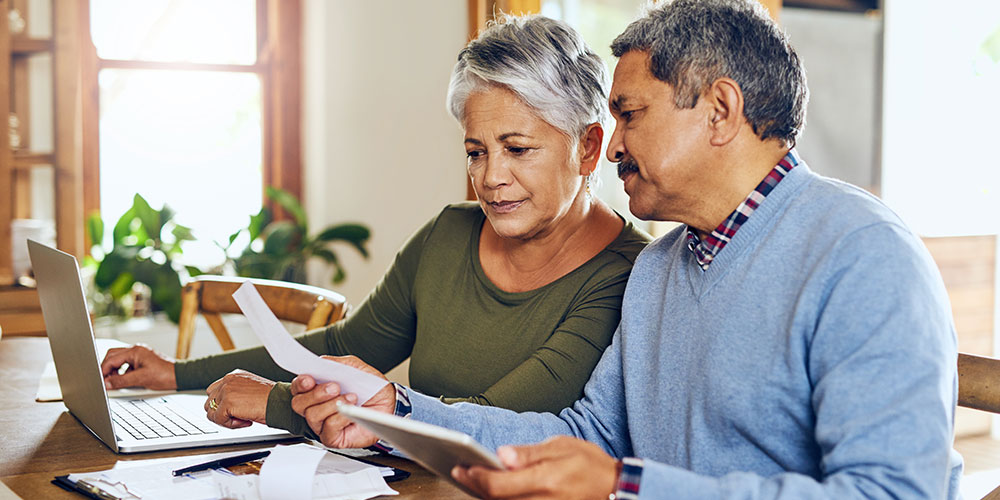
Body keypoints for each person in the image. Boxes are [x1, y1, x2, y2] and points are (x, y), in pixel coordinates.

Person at [286, 1, 964, 498]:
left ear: (720, 112)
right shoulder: (662, 268)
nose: (609, 148)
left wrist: (625, 484)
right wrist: (397, 412)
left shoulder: (864, 256)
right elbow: (587, 433)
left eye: (631, 114)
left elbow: (893, 495)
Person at [99, 15, 650, 437]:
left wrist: (274, 402)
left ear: (587, 147)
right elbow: (344, 343)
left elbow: (495, 420)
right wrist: (173, 373)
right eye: (476, 151)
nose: (491, 177)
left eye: (517, 149)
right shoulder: (449, 234)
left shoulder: (628, 276)